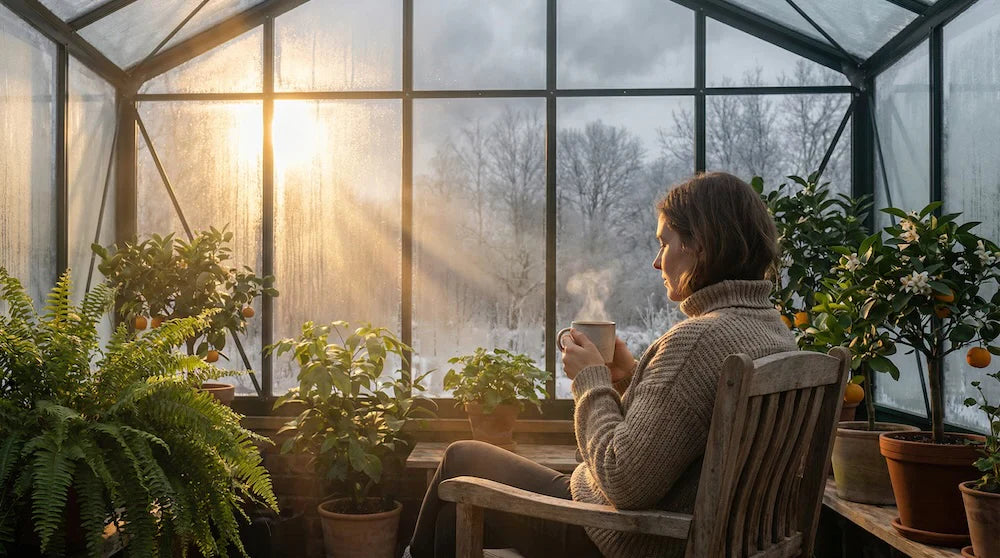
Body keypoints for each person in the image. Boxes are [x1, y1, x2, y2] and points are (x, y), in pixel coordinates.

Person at [406, 172, 797, 558]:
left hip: (624, 538)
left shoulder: (696, 341)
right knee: (449, 523)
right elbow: (678, 441)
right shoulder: (777, 334)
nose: (656, 262)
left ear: (701, 246)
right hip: (701, 537)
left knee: (461, 457)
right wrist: (627, 379)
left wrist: (591, 381)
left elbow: (623, 479)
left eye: (664, 243)